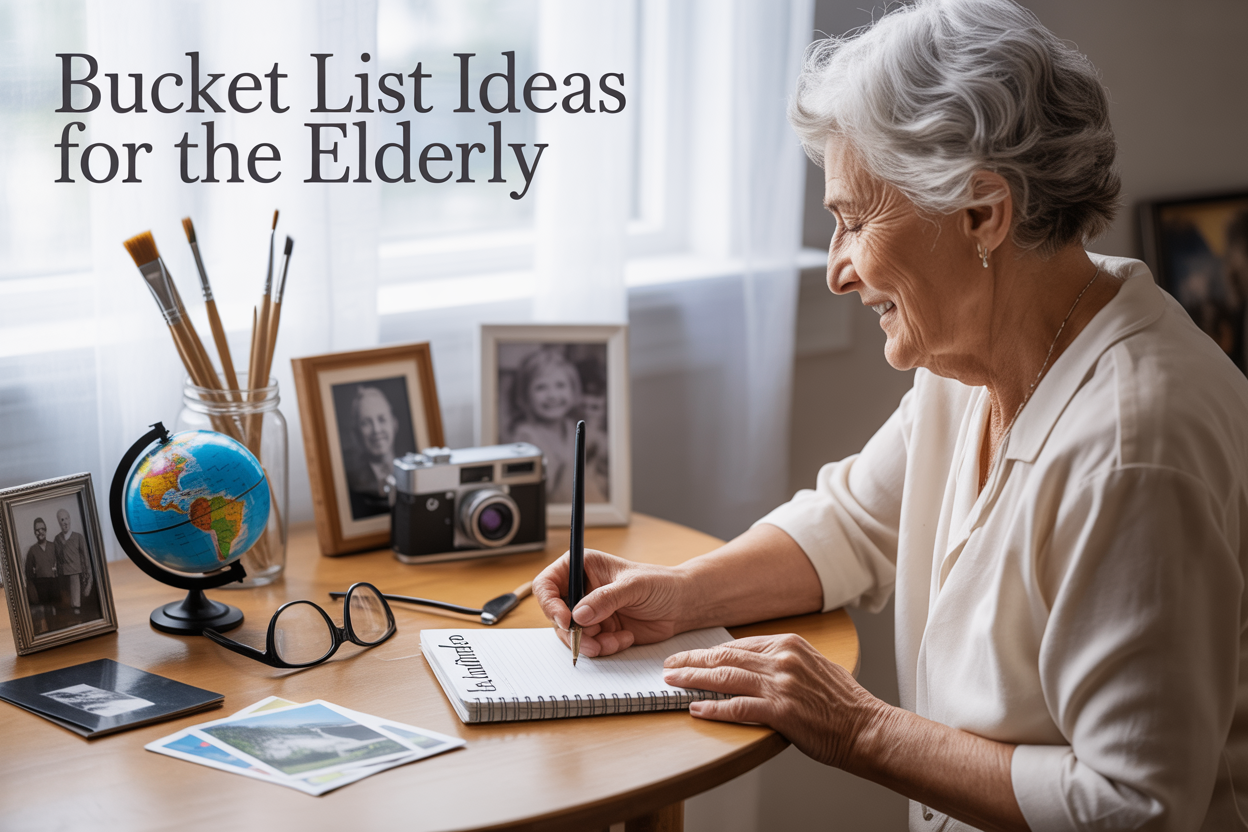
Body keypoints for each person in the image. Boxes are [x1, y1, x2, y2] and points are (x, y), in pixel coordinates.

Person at [534, 1, 1248, 829]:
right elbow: (853, 523)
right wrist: (680, 594)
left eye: (855, 220)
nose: (837, 270)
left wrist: (856, 726)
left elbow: (1133, 807)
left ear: (983, 213)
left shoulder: (1132, 448)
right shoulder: (989, 345)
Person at [507, 347, 606, 504]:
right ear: (525, 395)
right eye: (541, 387)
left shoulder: (573, 427)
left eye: (560, 385)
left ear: (573, 389)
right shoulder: (526, 438)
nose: (552, 395)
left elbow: (601, 449)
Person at [342, 385, 402, 519]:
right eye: (366, 423)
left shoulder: (411, 473)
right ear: (356, 433)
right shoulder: (353, 485)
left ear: (394, 423)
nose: (376, 430)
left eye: (382, 419)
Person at [54, 508, 92, 619]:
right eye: (62, 520)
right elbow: (56, 558)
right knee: (66, 605)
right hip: (63, 577)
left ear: (70, 519)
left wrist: (89, 578)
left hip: (76, 575)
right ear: (59, 523)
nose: (65, 522)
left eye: (66, 518)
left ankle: (76, 612)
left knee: (76, 607)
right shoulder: (57, 539)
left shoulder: (79, 537)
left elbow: (86, 558)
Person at [23, 517, 58, 634]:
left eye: (42, 529)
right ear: (34, 533)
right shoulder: (32, 550)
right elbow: (28, 572)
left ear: (46, 530)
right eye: (37, 530)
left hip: (54, 582)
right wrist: (33, 587)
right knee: (47, 610)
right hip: (41, 584)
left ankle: (60, 632)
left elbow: (61, 563)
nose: (40, 532)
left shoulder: (53, 546)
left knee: (57, 608)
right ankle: (51, 633)